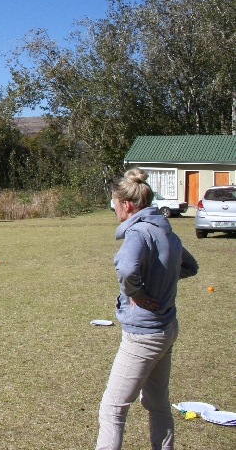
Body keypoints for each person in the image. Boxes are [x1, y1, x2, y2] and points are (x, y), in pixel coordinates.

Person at [96, 168, 199, 450]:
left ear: (127, 205)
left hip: (143, 335)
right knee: (157, 402)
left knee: (112, 408)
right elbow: (189, 266)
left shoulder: (138, 233)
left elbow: (127, 268)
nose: (114, 209)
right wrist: (160, 278)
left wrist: (138, 293)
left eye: (115, 204)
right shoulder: (165, 231)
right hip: (166, 330)